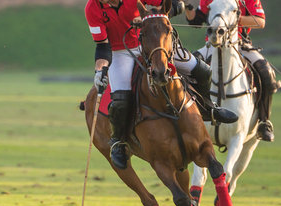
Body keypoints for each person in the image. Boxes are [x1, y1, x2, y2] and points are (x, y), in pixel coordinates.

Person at [85, 0, 237, 170]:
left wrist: (174, 6)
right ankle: (119, 142)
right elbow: (102, 46)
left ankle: (209, 108)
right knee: (121, 99)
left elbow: (165, 4)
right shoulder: (92, 8)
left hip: (152, 41)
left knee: (202, 71)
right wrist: (100, 70)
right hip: (121, 52)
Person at [185, 0, 279, 142]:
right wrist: (188, 5)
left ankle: (264, 121)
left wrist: (230, 18)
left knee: (266, 73)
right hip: (213, 45)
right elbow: (195, 20)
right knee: (187, 69)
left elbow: (260, 21)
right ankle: (183, 115)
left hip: (240, 44)